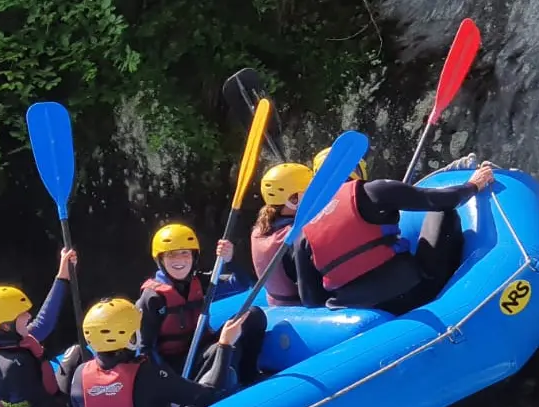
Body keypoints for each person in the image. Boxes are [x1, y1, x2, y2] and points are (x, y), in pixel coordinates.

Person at [295, 148, 495, 314]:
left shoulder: (302, 231)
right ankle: (458, 289)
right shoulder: (372, 191)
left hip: (358, 311)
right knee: (442, 213)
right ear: (358, 170)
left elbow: (311, 300)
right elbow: (443, 200)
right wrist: (473, 184)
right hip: (412, 293)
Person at [69, 297, 245, 407]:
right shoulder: (149, 374)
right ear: (130, 337)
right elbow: (209, 395)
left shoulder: (79, 375)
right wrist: (225, 345)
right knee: (228, 376)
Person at [137, 223, 267, 383]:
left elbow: (242, 283)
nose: (179, 260)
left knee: (253, 315)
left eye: (185, 253)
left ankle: (248, 374)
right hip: (178, 366)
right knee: (219, 349)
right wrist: (167, 381)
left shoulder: (201, 282)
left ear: (194, 256)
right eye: (171, 254)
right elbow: (145, 349)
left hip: (203, 348)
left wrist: (230, 260)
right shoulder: (152, 298)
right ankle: (221, 383)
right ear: (160, 260)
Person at [0, 247, 79, 407]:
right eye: (22, 314)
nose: (29, 316)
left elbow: (43, 323)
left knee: (76, 354)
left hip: (43, 400)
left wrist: (63, 276)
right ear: (5, 325)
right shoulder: (14, 366)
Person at [251, 163, 313, 307]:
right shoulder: (297, 234)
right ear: (293, 200)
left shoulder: (258, 230)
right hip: (299, 308)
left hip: (275, 304)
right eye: (309, 191)